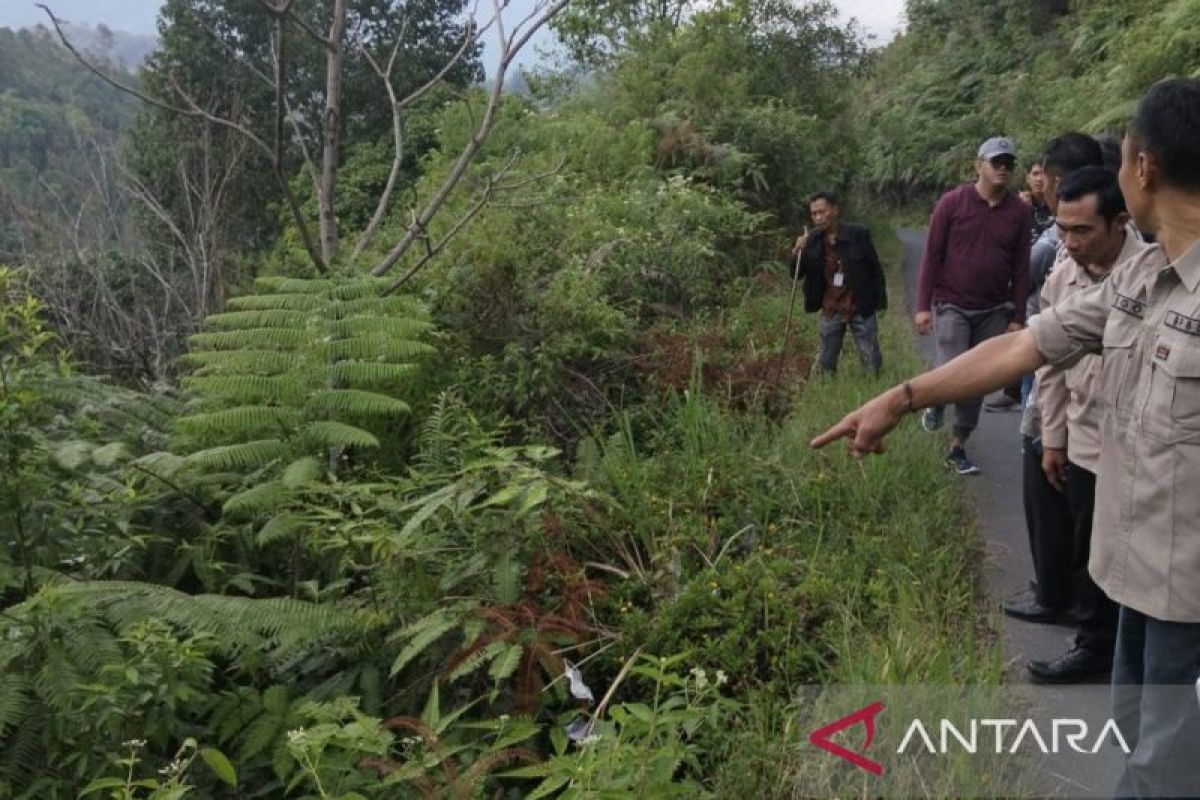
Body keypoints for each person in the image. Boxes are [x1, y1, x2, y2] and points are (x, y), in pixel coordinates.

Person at [811, 78, 1200, 797]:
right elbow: (1028, 347)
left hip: (1189, 600)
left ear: (1140, 166)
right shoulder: (1141, 276)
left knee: (1164, 771)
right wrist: (900, 398)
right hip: (1132, 577)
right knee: (1135, 735)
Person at [1026, 166, 1148, 683]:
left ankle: (1142, 658)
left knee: (1144, 555)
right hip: (1086, 437)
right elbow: (1047, 363)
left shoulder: (1153, 275)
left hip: (1145, 445)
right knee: (1091, 550)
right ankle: (1093, 646)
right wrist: (1053, 437)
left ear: (1119, 222)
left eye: (1082, 231)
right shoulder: (1061, 275)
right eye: (1061, 229)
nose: (1069, 243)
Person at [1004, 134, 1106, 627]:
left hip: (1073, 409)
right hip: (1060, 398)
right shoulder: (1072, 250)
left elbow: (1049, 352)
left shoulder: (1069, 252)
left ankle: (1061, 601)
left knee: (1062, 509)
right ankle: (1064, 598)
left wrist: (1052, 432)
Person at [915, 137, 1033, 474]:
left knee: (976, 379)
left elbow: (1021, 267)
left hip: (993, 308)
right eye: (996, 162)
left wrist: (1018, 316)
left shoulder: (1019, 212)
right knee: (952, 364)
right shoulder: (952, 204)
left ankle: (957, 446)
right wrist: (923, 305)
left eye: (1008, 163)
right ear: (977, 165)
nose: (1003, 169)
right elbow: (932, 255)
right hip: (951, 301)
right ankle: (935, 398)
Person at [791, 191, 887, 376]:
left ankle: (875, 391)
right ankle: (828, 392)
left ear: (835, 210)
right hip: (831, 307)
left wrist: (879, 301)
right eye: (814, 214)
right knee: (827, 360)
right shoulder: (810, 240)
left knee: (871, 358)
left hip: (859, 305)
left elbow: (875, 268)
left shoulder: (858, 234)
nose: (818, 217)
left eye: (822, 212)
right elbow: (796, 274)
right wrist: (797, 251)